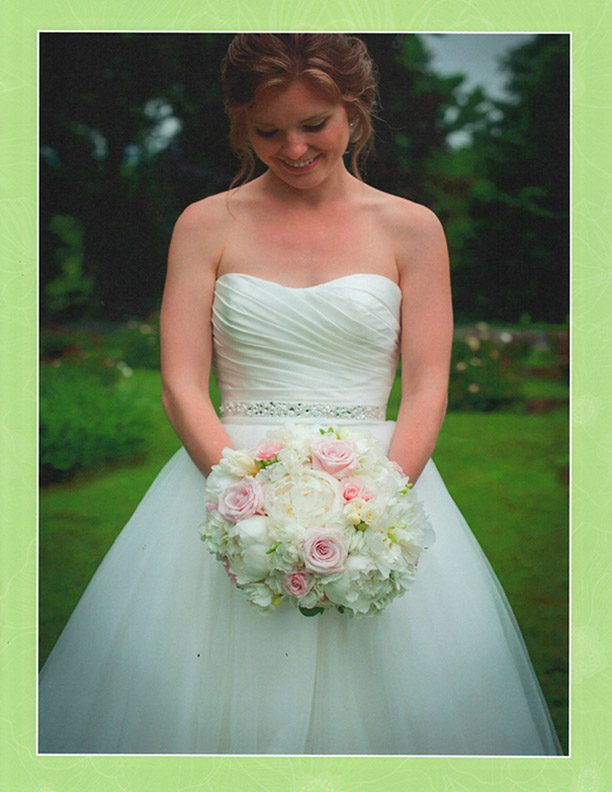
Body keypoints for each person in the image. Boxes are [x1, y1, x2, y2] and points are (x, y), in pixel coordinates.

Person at [39, 33, 562, 755]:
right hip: (224, 482)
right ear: (240, 125)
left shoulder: (413, 229)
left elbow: (428, 386)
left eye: (314, 124)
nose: (292, 149)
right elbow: (181, 383)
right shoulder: (205, 224)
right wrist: (246, 498)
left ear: (355, 109)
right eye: (267, 131)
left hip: (379, 482)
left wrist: (374, 511)